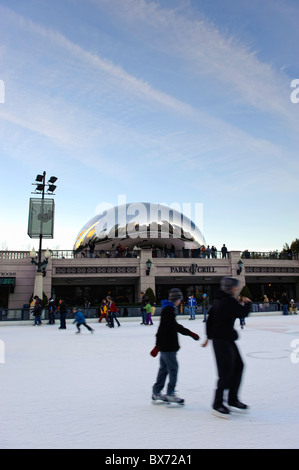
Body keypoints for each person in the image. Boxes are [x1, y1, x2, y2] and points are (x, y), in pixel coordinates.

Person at [202, 277, 251, 418]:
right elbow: (242, 313)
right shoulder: (228, 300)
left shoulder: (218, 299)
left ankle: (232, 399)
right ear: (230, 288)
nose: (237, 289)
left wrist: (208, 337)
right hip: (222, 340)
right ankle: (217, 404)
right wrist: (247, 303)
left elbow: (209, 319)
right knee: (226, 370)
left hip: (224, 339)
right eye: (236, 287)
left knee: (238, 366)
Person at [151, 288, 200, 405]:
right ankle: (170, 393)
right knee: (173, 369)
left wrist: (189, 333)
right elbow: (163, 329)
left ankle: (156, 392)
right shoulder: (168, 310)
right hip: (168, 346)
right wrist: (157, 346)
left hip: (165, 346)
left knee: (163, 369)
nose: (181, 301)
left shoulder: (168, 309)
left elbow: (173, 326)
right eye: (180, 299)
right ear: (176, 299)